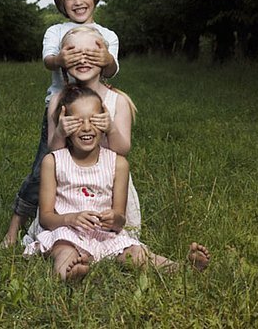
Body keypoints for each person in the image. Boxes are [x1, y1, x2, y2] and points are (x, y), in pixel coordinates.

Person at [23, 85, 210, 281]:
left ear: (105, 121)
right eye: (77, 122)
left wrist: (114, 218)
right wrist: (70, 218)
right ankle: (69, 273)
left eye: (94, 120)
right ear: (64, 124)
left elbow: (120, 217)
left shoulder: (118, 163)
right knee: (64, 252)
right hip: (66, 232)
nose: (86, 127)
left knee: (137, 255)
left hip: (105, 235)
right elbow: (45, 218)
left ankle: (182, 268)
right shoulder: (53, 161)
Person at [3, 0, 120, 247]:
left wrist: (104, 58)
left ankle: (96, 225)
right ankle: (15, 227)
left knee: (98, 166)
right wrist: (60, 60)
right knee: (46, 165)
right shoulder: (56, 31)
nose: (78, 1)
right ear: (61, 2)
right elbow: (48, 61)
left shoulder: (107, 35)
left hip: (94, 113)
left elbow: (113, 69)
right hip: (60, 111)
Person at [23, 25, 141, 243]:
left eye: (91, 54)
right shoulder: (58, 100)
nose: (83, 60)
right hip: (68, 190)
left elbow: (123, 150)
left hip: (107, 189)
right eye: (75, 54)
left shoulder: (118, 101)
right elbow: (54, 154)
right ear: (64, 59)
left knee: (114, 237)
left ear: (105, 57)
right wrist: (60, 132)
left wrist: (110, 128)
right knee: (66, 238)